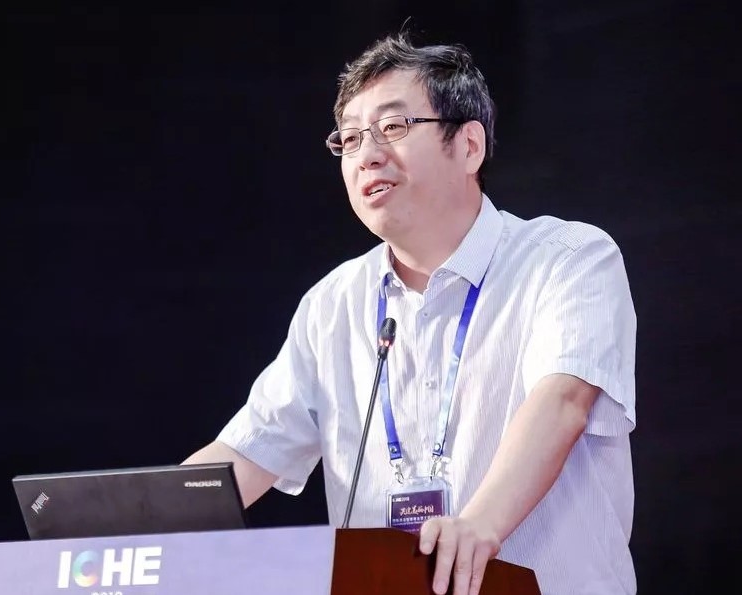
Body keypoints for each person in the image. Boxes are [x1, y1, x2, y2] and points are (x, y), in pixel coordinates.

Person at [184, 31, 637, 595]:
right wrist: (133, 530)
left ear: (469, 146)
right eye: (350, 138)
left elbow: (562, 403)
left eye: (394, 127)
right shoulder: (333, 304)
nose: (367, 154)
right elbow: (247, 454)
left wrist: (478, 527)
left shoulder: (568, 258)